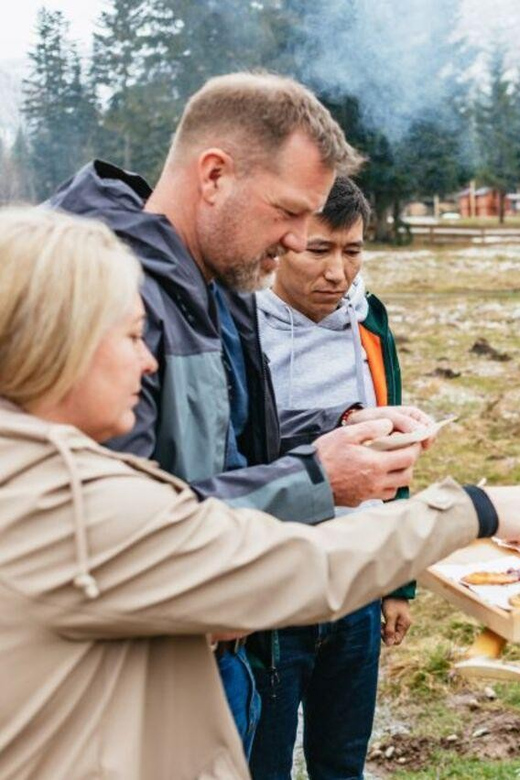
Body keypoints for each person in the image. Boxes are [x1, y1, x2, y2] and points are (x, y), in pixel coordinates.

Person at [0, 206, 517, 780]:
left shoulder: (33, 471)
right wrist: (478, 508)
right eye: (130, 334)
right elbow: (298, 566)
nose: (149, 360)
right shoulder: (68, 505)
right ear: (55, 345)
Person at [49, 72, 437, 751]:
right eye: (288, 212)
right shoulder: (102, 288)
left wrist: (337, 442)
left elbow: (220, 457)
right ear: (215, 175)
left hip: (219, 657)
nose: (295, 242)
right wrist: (318, 479)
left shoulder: (214, 282)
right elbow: (122, 536)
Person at [251, 177, 412, 779]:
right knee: (262, 763)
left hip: (357, 580)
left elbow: (391, 454)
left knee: (342, 763)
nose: (338, 273)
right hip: (272, 589)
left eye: (353, 251)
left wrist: (399, 581)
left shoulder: (370, 320)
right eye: (319, 251)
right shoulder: (242, 329)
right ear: (279, 244)